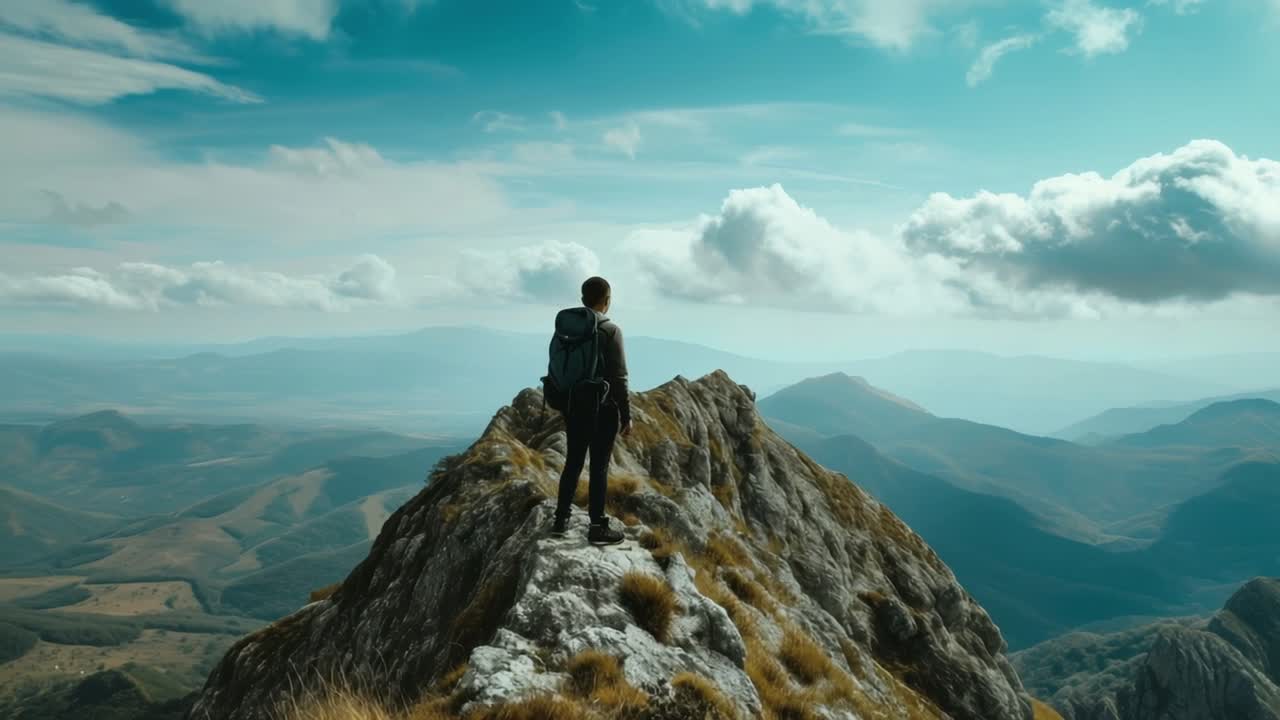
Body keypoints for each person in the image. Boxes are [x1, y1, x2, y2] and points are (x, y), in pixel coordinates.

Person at [552, 276, 632, 545]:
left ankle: (560, 520)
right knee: (599, 467)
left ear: (583, 299)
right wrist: (627, 415)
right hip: (602, 407)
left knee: (573, 462)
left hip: (573, 404)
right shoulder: (610, 330)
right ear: (606, 300)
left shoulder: (566, 328)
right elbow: (619, 377)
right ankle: (597, 526)